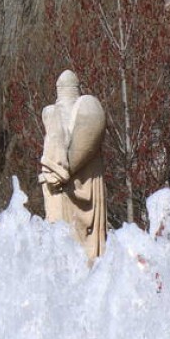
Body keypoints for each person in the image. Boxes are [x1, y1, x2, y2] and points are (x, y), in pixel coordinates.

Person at [38, 70, 107, 259]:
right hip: (89, 202)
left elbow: (55, 168)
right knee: (89, 262)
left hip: (61, 195)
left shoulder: (53, 113)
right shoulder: (92, 115)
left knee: (63, 255)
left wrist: (53, 173)